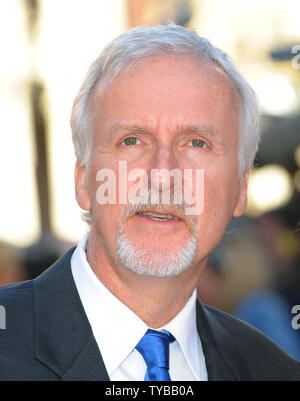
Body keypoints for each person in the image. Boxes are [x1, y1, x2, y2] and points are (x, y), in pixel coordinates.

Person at [0, 24, 300, 381]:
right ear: (83, 179)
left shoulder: (274, 371)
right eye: (132, 140)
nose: (163, 175)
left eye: (196, 143)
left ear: (240, 189)